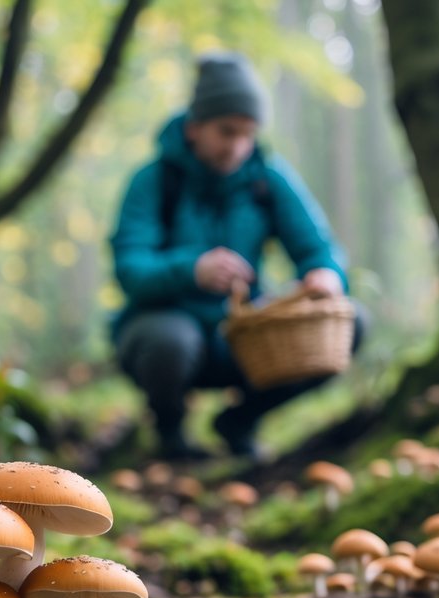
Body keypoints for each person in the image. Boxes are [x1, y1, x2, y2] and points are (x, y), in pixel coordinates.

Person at [109, 51, 363, 462]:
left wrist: (325, 275)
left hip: (241, 337)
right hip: (161, 333)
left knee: (352, 322)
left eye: (248, 134)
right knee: (171, 340)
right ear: (195, 128)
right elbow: (130, 269)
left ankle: (239, 422)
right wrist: (191, 269)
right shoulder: (155, 181)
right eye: (227, 132)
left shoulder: (268, 178)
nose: (238, 147)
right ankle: (170, 432)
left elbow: (317, 246)